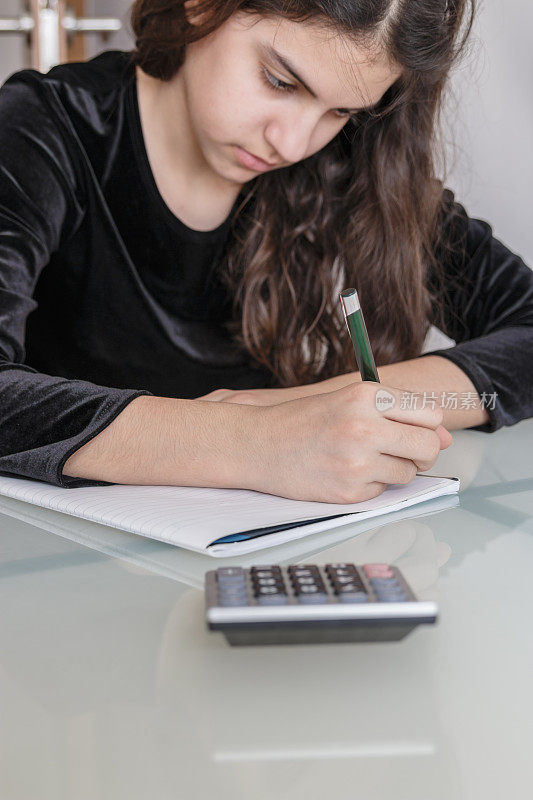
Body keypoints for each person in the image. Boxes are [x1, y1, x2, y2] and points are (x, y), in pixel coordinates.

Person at [0, 0, 531, 504]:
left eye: (342, 111)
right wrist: (250, 439)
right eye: (279, 81)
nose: (295, 144)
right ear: (204, 6)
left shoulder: (347, 168)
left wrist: (316, 411)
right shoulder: (44, 131)